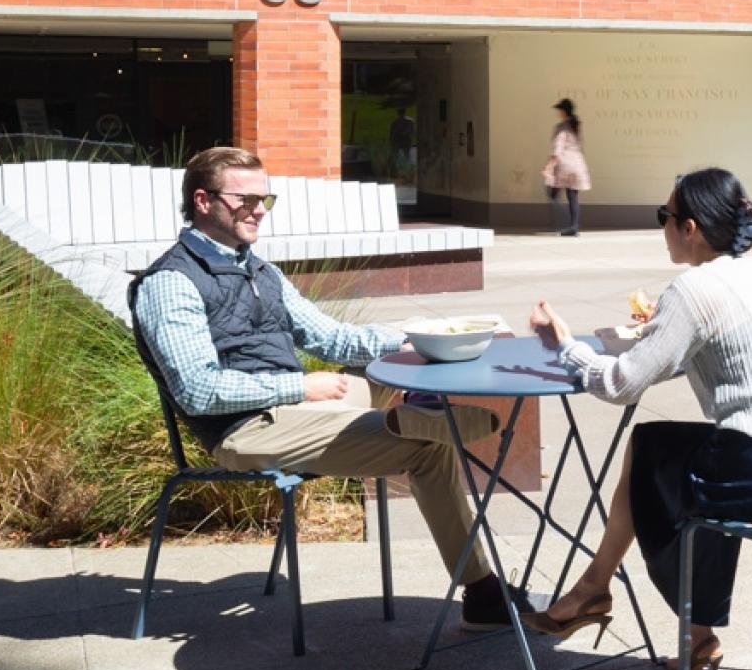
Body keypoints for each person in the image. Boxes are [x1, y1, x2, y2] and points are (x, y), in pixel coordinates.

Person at [130, 147, 532, 629]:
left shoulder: (258, 270)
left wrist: (418, 339)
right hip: (246, 429)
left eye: (266, 200)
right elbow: (198, 391)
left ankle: (417, 407)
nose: (259, 211)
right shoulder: (172, 282)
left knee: (389, 371)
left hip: (297, 411)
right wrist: (298, 387)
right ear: (202, 200)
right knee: (428, 450)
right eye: (247, 200)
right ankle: (482, 594)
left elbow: (332, 337)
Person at [523, 168, 752, 670]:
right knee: (662, 445)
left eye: (664, 217)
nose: (660, 226)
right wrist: (656, 342)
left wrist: (566, 347)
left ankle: (603, 592)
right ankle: (665, 620)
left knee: (653, 453)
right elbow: (726, 355)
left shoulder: (692, 290)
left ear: (690, 228)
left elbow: (620, 387)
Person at [543, 98, 592, 236]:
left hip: (566, 165)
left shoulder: (561, 128)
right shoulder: (576, 125)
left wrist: (549, 166)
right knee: (573, 196)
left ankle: (563, 221)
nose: (558, 112)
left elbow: (557, 149)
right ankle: (573, 225)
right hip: (577, 164)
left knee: (552, 193)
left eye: (559, 110)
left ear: (563, 111)